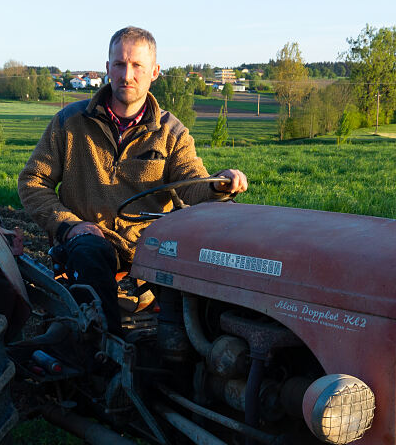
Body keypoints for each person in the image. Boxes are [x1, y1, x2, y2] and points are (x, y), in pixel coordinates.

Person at [19, 26, 248, 332]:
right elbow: (33, 181)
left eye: (137, 65)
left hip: (151, 244)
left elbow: (193, 184)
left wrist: (220, 185)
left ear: (154, 71)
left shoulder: (172, 133)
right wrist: (70, 225)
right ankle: (104, 354)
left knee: (212, 267)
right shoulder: (70, 123)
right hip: (92, 242)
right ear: (107, 69)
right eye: (120, 64)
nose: (127, 75)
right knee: (91, 252)